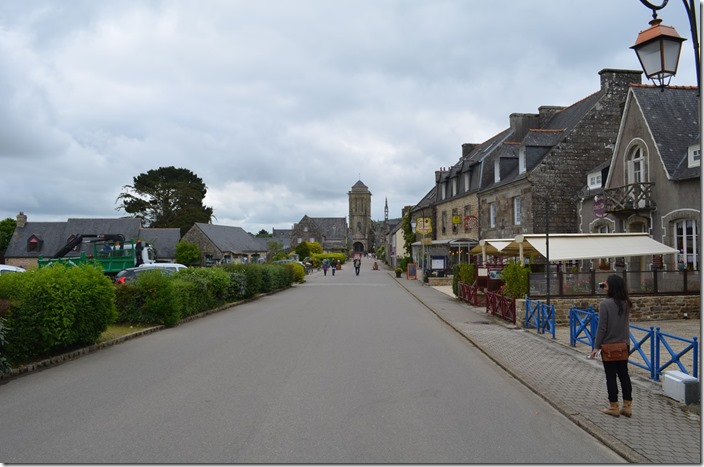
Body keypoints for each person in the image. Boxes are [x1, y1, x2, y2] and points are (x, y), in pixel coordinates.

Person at [590, 274, 633, 418]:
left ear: (611, 286)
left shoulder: (605, 304)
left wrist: (596, 347)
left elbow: (602, 328)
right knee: (624, 375)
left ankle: (614, 407)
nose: (604, 285)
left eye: (606, 284)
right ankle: (627, 407)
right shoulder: (626, 303)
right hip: (624, 345)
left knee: (611, 377)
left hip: (609, 347)